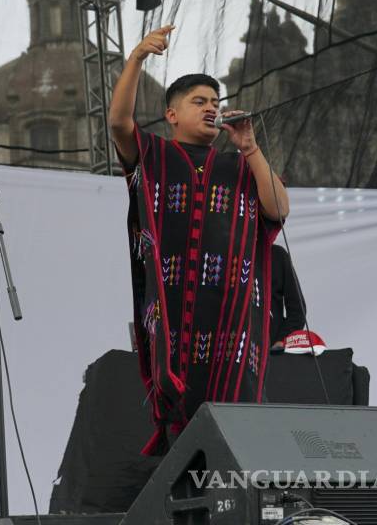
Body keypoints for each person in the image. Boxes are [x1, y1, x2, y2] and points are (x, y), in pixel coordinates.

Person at [108, 26, 290, 455]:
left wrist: (249, 147)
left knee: (236, 425)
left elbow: (278, 210)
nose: (211, 108)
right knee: (184, 430)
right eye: (199, 102)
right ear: (172, 115)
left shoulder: (240, 165)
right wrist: (136, 58)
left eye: (215, 102)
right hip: (174, 314)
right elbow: (118, 122)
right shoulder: (154, 155)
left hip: (232, 317)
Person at [269, 243, 306, 350]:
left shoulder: (277, 254)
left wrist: (282, 340)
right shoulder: (226, 254)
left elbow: (298, 311)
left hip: (272, 352)